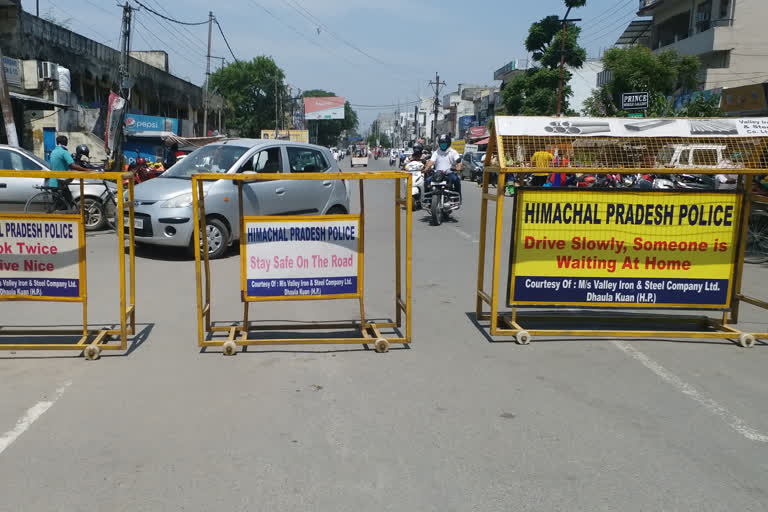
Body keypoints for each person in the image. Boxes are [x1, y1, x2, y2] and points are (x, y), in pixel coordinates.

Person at [48, 135, 92, 206]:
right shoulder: (64, 152)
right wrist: (86, 170)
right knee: (67, 203)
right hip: (60, 182)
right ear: (66, 143)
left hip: (53, 182)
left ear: (57, 142)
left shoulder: (53, 152)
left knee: (59, 205)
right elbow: (72, 165)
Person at [425, 134, 462, 198]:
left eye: (444, 143)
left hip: (449, 173)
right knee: (427, 180)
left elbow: (458, 162)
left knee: (456, 180)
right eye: (441, 143)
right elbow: (431, 161)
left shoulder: (453, 152)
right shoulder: (436, 152)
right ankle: (427, 198)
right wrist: (427, 167)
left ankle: (457, 196)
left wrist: (458, 167)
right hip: (438, 174)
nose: (443, 144)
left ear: (448, 143)